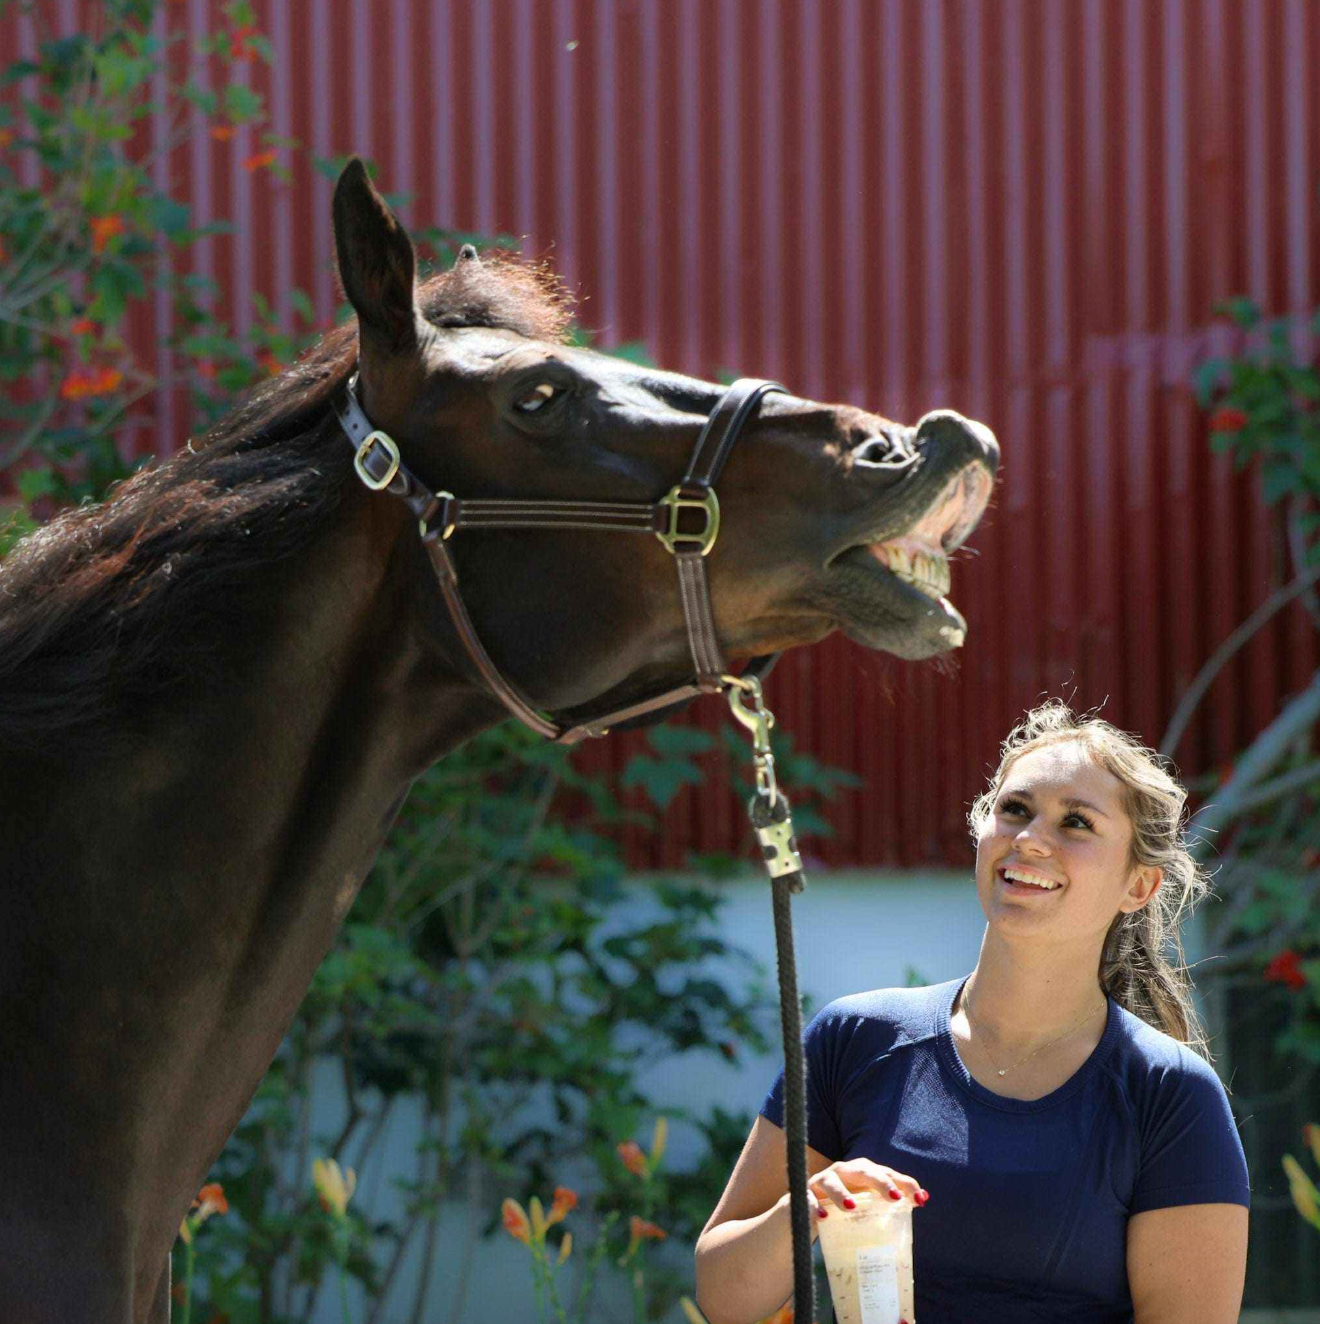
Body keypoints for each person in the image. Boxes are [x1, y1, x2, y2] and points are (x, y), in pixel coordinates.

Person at [694, 701, 1250, 1324]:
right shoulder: (854, 1039)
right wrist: (809, 1207)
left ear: (1138, 886)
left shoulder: (1170, 1094)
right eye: (1015, 810)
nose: (1029, 839)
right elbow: (723, 1298)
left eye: (1076, 823)